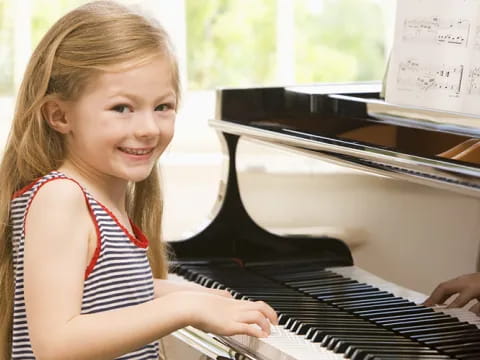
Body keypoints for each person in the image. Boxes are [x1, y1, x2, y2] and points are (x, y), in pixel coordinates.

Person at [0, 1, 278, 359]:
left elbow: (109, 292)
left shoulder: (101, 197)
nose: (148, 128)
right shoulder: (61, 198)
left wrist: (193, 296)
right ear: (59, 115)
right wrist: (185, 310)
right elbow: (57, 344)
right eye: (122, 108)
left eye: (162, 106)